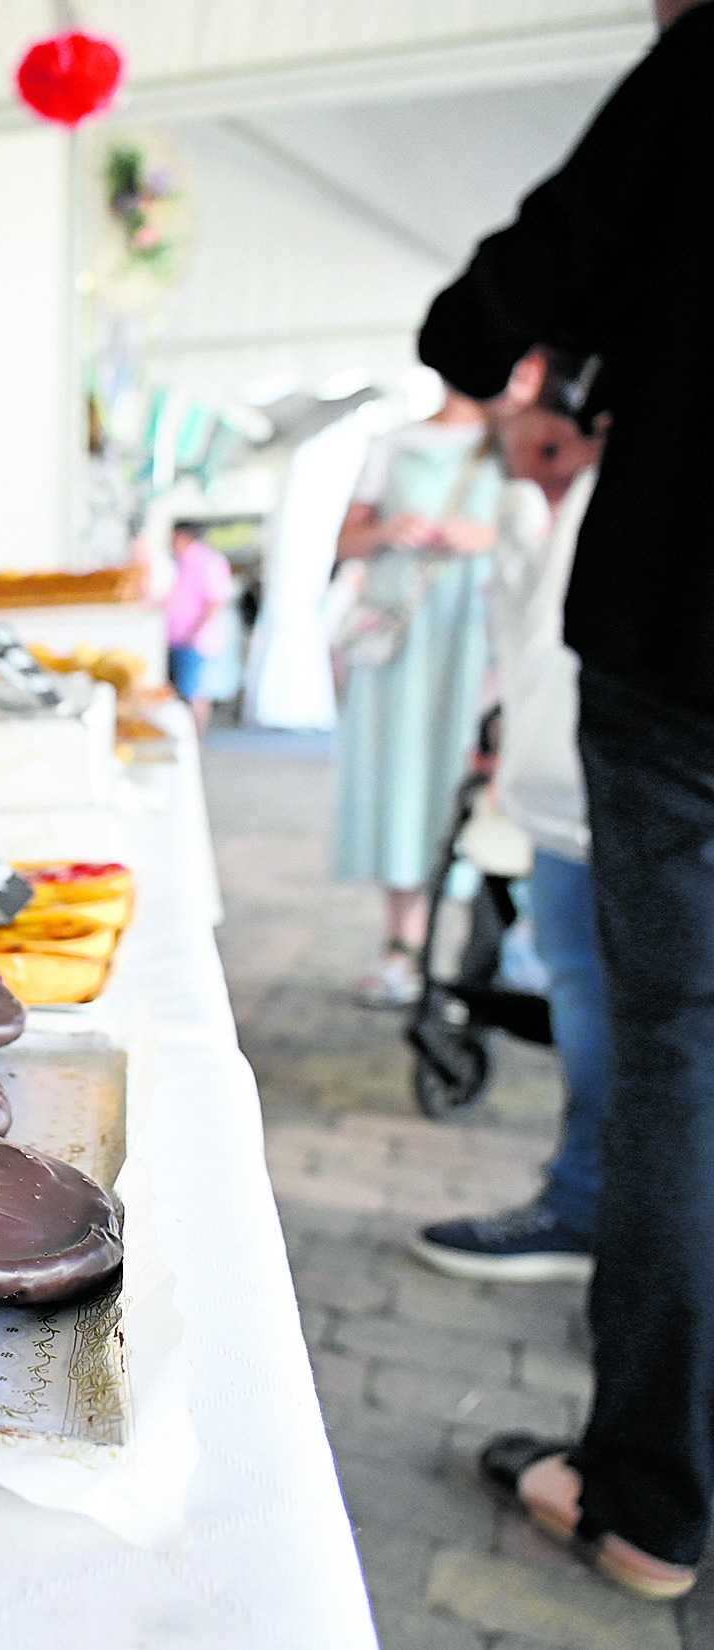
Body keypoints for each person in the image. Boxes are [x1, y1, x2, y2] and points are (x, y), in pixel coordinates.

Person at [415, 0, 714, 1601]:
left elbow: (495, 309)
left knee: (686, 1053)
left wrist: (548, 363)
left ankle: (649, 1497)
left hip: (689, 638)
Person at [413, 357, 606, 1284]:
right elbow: (534, 636)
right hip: (563, 793)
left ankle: (594, 1209)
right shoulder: (555, 502)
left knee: (630, 1023)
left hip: (617, 800)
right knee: (587, 1002)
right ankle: (586, 1198)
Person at [328, 393, 504, 1007]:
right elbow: (345, 540)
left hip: (478, 633)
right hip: (402, 631)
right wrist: (385, 531)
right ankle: (403, 944)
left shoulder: (514, 439)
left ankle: (481, 957)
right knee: (398, 780)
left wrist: (482, 535)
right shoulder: (393, 443)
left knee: (481, 783)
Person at [163, 523, 238, 734]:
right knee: (181, 692)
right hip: (177, 637)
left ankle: (196, 739)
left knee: (195, 692)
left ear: (183, 537)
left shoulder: (206, 561)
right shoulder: (181, 561)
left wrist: (195, 632)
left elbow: (214, 600)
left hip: (194, 639)